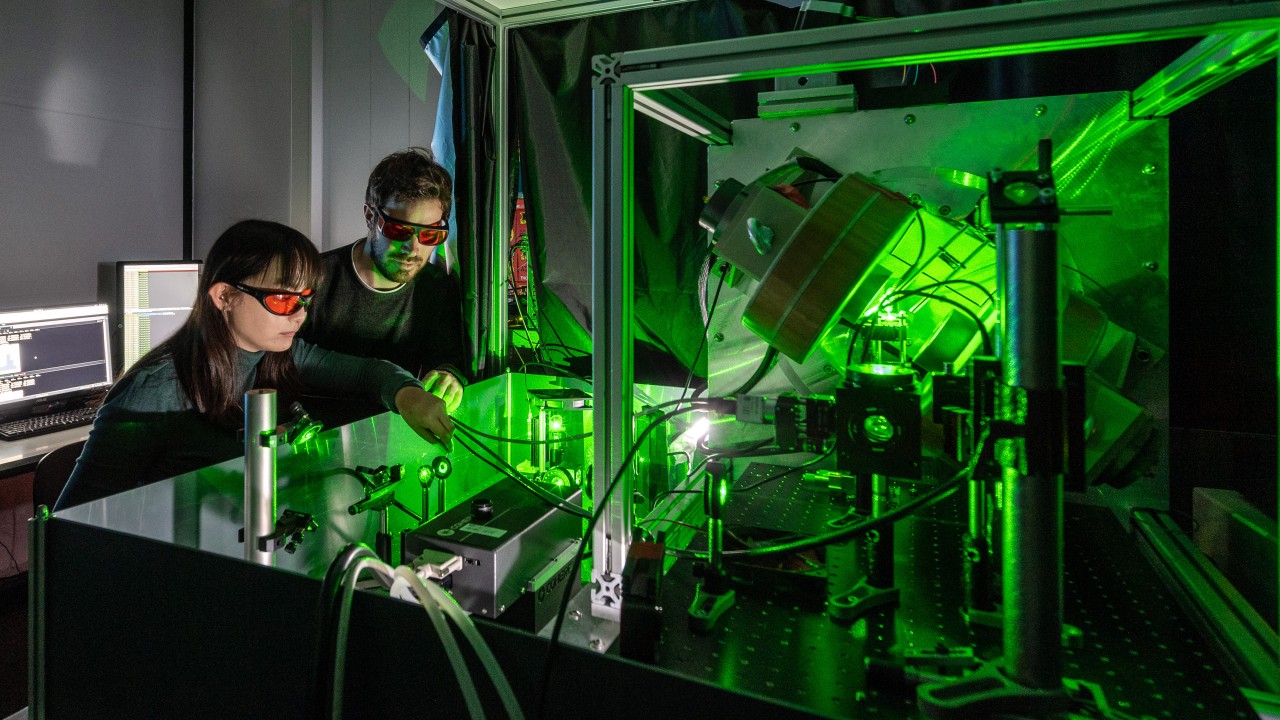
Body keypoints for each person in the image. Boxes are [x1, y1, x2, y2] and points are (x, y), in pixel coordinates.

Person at [56, 219, 453, 510]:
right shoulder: (155, 389)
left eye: (305, 299)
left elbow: (368, 372)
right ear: (224, 296)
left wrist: (408, 394)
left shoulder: (279, 353)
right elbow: (72, 522)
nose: (298, 316)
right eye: (282, 300)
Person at [300, 147, 467, 413]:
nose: (413, 249)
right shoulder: (315, 277)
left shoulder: (435, 289)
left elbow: (445, 358)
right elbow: (282, 359)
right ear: (370, 216)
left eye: (430, 235)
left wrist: (449, 376)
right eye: (400, 230)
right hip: (314, 434)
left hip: (393, 434)